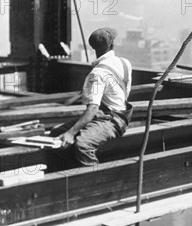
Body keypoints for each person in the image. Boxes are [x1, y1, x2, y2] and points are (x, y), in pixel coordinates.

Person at [51, 27, 133, 166]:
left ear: (93, 47)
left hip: (112, 121)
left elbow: (92, 109)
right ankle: (68, 172)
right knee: (57, 132)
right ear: (112, 44)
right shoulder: (125, 63)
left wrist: (71, 133)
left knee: (83, 145)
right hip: (123, 115)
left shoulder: (97, 73)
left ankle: (96, 180)